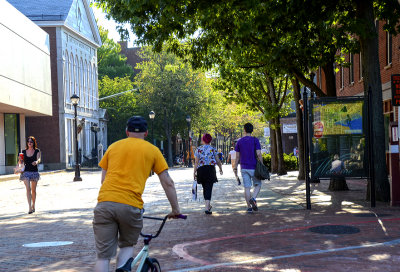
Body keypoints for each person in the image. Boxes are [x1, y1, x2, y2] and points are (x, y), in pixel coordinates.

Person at [93, 116, 181, 272]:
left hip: (105, 203)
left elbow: (103, 180)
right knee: (126, 246)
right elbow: (168, 182)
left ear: (127, 131)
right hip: (130, 205)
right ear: (146, 133)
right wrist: (175, 209)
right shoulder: (153, 150)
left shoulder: (113, 147)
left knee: (103, 256)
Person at [233, 123, 263, 213]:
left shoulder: (239, 141)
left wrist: (235, 167)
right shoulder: (255, 140)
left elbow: (237, 157)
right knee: (258, 184)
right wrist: (262, 164)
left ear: (244, 130)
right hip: (254, 167)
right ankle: (253, 198)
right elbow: (259, 154)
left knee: (247, 187)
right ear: (252, 130)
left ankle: (249, 207)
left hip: (244, 167)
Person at [193, 133, 223, 215]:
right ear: (210, 140)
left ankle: (208, 206)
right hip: (210, 169)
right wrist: (220, 168)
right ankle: (207, 207)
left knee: (204, 187)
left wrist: (194, 171)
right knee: (209, 187)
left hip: (201, 169)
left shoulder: (198, 149)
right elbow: (217, 160)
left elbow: (196, 162)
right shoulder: (213, 148)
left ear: (203, 139)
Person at [19, 136, 41, 214]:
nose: (29, 143)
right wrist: (20, 161)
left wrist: (36, 162)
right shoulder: (23, 152)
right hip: (26, 172)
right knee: (28, 188)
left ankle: (33, 205)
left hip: (34, 172)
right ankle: (29, 207)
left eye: (31, 141)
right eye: (28, 141)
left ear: (33, 143)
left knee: (33, 190)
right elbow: (21, 162)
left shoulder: (37, 151)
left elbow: (39, 159)